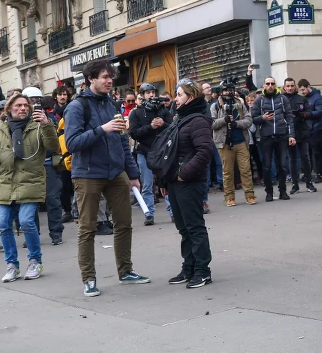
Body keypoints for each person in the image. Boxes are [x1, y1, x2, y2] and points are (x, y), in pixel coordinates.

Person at [64, 58, 150, 297]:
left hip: (116, 173)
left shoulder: (112, 104)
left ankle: (126, 271)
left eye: (111, 77)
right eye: (104, 77)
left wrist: (132, 175)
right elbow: (72, 144)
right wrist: (102, 129)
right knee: (87, 228)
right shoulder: (77, 106)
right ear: (91, 79)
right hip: (88, 174)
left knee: (124, 223)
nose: (110, 81)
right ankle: (89, 279)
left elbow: (123, 141)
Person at [0, 94, 59, 282]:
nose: (23, 109)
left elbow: (54, 146)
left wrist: (46, 124)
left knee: (27, 221)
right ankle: (12, 265)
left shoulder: (37, 126)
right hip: (7, 181)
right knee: (3, 225)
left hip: (31, 180)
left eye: (25, 105)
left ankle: (35, 260)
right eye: (18, 106)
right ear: (9, 109)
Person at [161, 79, 215, 288]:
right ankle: (189, 267)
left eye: (180, 94)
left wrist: (184, 173)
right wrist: (166, 180)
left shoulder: (198, 120)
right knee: (183, 227)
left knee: (194, 226)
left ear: (190, 97)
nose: (176, 98)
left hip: (189, 182)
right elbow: (170, 151)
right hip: (175, 181)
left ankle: (203, 270)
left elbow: (205, 152)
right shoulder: (179, 119)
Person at [22, 87, 65, 245]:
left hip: (47, 164)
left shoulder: (49, 119)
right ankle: (32, 234)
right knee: (29, 202)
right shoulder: (19, 121)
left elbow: (54, 143)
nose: (34, 104)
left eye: (37, 100)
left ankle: (56, 232)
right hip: (28, 167)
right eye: (31, 101)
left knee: (53, 199)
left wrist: (46, 123)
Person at [128, 82, 171, 224]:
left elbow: (172, 129)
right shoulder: (136, 112)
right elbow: (134, 133)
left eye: (153, 92)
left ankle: (173, 211)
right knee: (147, 185)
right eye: (148, 93)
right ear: (142, 95)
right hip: (144, 151)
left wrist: (163, 124)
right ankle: (149, 213)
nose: (151, 95)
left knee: (166, 182)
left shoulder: (163, 110)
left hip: (162, 151)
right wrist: (150, 127)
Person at [250, 77, 296, 202]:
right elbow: (253, 118)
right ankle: (269, 192)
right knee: (267, 166)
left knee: (282, 165)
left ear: (275, 85)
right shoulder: (259, 100)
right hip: (266, 137)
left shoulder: (282, 98)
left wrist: (291, 135)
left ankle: (283, 191)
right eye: (268, 84)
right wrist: (263, 118)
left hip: (281, 136)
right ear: (264, 85)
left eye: (272, 84)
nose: (270, 86)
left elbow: (289, 117)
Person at [210, 84, 255, 206]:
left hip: (241, 141)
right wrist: (224, 120)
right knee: (227, 171)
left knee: (245, 170)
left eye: (230, 90)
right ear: (221, 92)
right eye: (225, 90)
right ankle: (229, 197)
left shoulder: (240, 103)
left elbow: (249, 120)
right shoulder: (215, 105)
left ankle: (250, 195)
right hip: (224, 143)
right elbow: (212, 124)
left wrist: (237, 124)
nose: (228, 93)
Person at [283, 78, 316, 193]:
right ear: (284, 87)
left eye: (292, 86)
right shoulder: (282, 99)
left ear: (295, 86)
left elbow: (309, 113)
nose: (290, 88)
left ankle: (309, 182)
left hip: (302, 131)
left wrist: (301, 114)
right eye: (288, 86)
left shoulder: (301, 99)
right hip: (289, 133)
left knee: (305, 158)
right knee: (292, 159)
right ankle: (295, 184)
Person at [53, 85, 76, 220]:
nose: (62, 97)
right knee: (64, 183)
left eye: (65, 94)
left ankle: (77, 209)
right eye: (60, 94)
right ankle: (67, 210)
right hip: (59, 152)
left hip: (72, 149)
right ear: (56, 96)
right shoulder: (51, 113)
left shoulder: (73, 109)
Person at [298, 80, 322, 182]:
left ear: (308, 86)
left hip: (316, 128)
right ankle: (307, 174)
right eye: (300, 90)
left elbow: (319, 112)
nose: (302, 92)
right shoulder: (303, 99)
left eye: (304, 89)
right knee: (307, 153)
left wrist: (306, 114)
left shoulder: (317, 97)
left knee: (317, 152)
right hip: (306, 128)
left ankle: (319, 174)